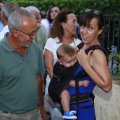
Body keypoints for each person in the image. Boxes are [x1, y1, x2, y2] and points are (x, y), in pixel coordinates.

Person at [0, 9, 47, 120]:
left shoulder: (34, 47)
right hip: (8, 116)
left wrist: (40, 106)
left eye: (36, 31)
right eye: (31, 34)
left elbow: (38, 77)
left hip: (35, 113)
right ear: (15, 32)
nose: (35, 37)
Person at [66, 9, 112, 120]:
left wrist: (86, 65)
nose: (84, 32)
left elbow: (107, 86)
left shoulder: (97, 53)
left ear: (100, 30)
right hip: (70, 108)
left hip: (82, 111)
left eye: (90, 28)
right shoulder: (82, 45)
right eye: (82, 26)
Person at [44, 10, 81, 120]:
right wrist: (61, 88)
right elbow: (49, 68)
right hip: (55, 91)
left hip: (74, 92)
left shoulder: (79, 44)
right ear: (63, 25)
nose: (77, 25)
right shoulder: (51, 42)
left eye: (77, 21)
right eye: (73, 21)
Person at [48, 44, 90, 119]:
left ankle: (58, 107)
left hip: (52, 86)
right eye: (69, 62)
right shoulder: (65, 71)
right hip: (56, 89)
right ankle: (67, 113)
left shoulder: (58, 65)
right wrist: (82, 83)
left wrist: (78, 49)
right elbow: (71, 83)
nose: (73, 63)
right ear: (60, 62)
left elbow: (74, 52)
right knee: (65, 94)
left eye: (74, 59)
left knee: (60, 99)